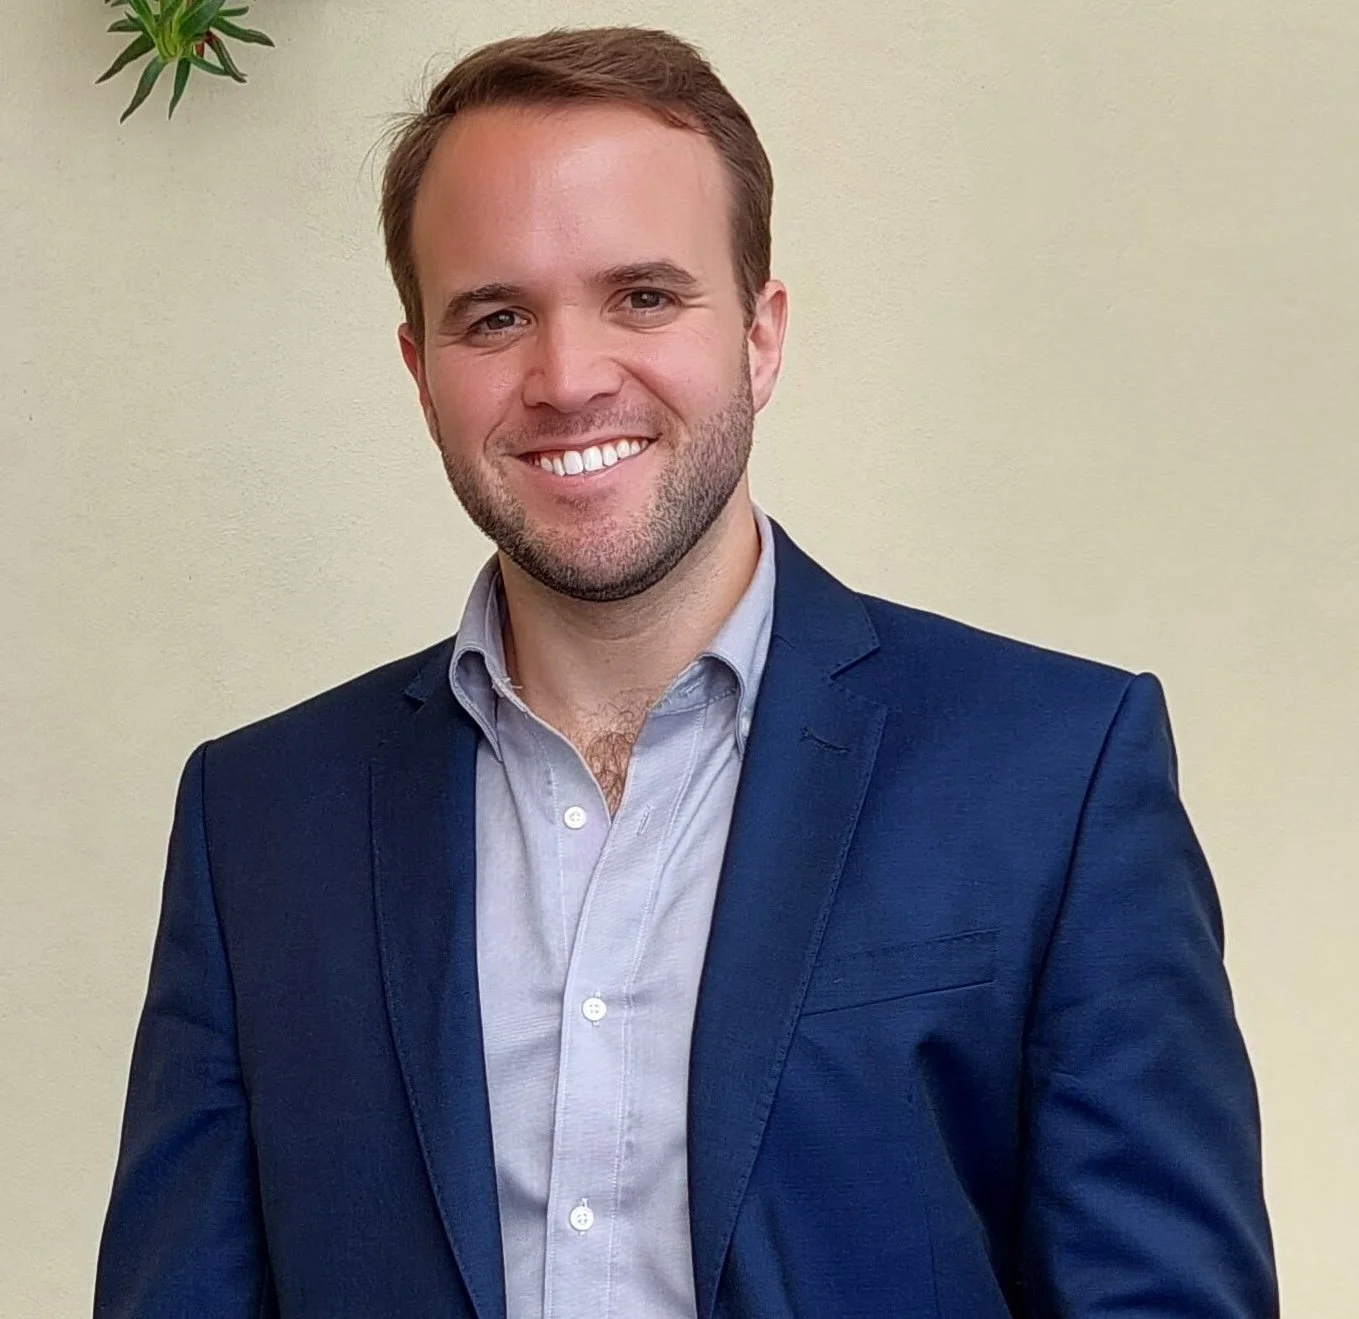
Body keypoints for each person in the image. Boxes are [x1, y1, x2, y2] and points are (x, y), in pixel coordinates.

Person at [94, 25, 1277, 1319]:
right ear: (421, 373)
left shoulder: (1056, 774)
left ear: (760, 338)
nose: (567, 377)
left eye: (643, 297)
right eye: (496, 316)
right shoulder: (256, 821)